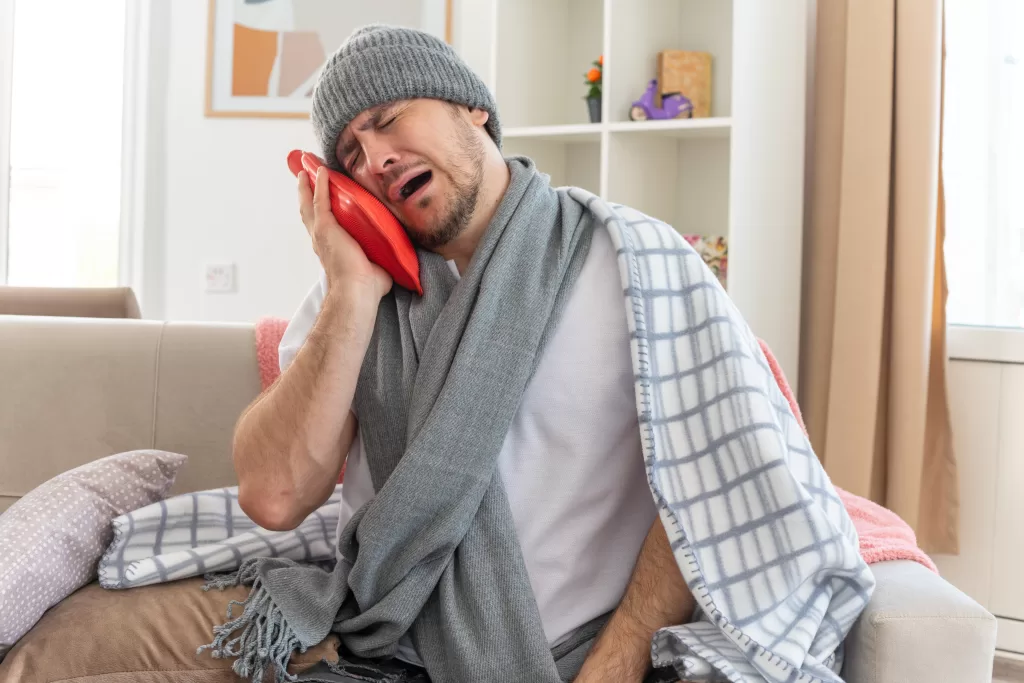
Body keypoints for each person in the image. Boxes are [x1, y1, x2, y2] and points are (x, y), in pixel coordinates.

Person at [224, 23, 869, 683]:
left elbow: (713, 486)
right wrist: (354, 292)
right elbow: (274, 496)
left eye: (388, 120)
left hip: (588, 658)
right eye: (350, 156)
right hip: (390, 659)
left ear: (471, 107)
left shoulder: (635, 260)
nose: (375, 158)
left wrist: (613, 667)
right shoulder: (348, 296)